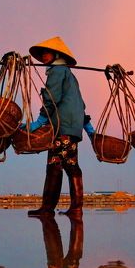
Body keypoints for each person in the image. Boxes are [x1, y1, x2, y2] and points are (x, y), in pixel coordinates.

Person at [25, 36, 88, 219]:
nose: (44, 56)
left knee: (55, 164)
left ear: (56, 54)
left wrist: (40, 120)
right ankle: (75, 209)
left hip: (62, 126)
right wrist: (87, 127)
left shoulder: (57, 72)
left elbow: (51, 97)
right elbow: (81, 104)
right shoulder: (69, 75)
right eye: (43, 53)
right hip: (72, 128)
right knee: (70, 165)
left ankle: (47, 209)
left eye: (46, 52)